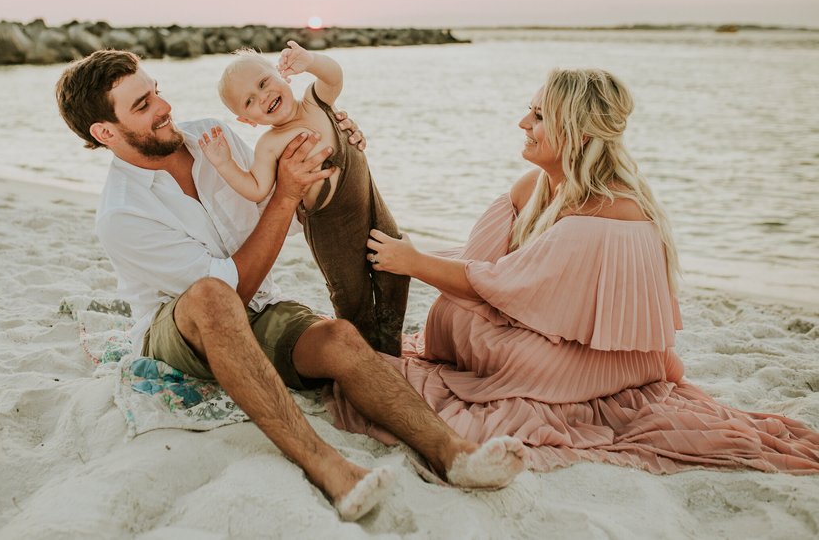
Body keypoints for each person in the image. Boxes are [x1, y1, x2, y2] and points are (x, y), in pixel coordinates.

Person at [54, 49, 526, 522]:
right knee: (211, 295)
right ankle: (329, 466)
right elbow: (230, 288)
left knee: (339, 338)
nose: (163, 107)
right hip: (180, 330)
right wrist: (286, 192)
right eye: (142, 105)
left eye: (156, 91)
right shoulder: (122, 214)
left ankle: (454, 454)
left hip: (259, 307)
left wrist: (334, 154)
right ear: (105, 132)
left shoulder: (208, 139)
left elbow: (293, 212)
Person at [333, 67, 819, 474]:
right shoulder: (537, 187)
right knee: (450, 314)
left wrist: (415, 264)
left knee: (458, 322)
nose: (523, 122)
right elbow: (481, 264)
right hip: (571, 340)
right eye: (531, 109)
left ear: (580, 131)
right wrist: (419, 258)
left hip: (601, 360)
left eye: (540, 116)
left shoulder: (609, 211)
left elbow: (495, 283)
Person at [199, 41, 408, 355]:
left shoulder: (315, 102)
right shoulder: (270, 144)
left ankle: (391, 342)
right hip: (329, 226)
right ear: (248, 120)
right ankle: (366, 353)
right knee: (350, 293)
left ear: (283, 76)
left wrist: (310, 61)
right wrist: (225, 164)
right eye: (250, 100)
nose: (264, 96)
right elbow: (256, 188)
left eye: (264, 82)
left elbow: (334, 77)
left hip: (368, 199)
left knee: (396, 265)